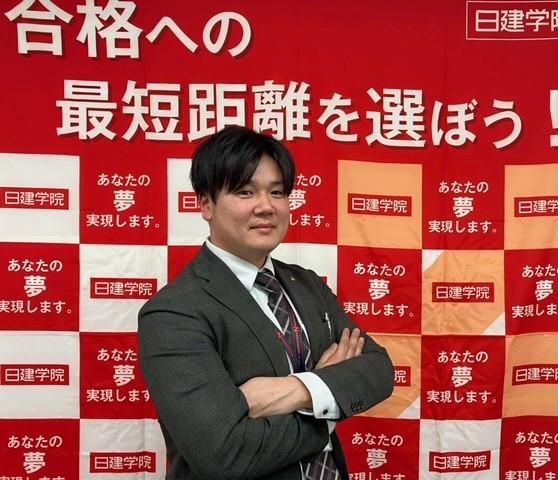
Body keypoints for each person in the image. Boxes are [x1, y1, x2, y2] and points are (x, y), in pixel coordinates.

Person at [138, 126, 394, 480]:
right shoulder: (174, 312)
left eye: (277, 192)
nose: (266, 207)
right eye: (245, 192)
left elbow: (378, 370)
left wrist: (299, 389)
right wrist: (328, 407)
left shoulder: (307, 284)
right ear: (205, 204)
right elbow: (225, 455)